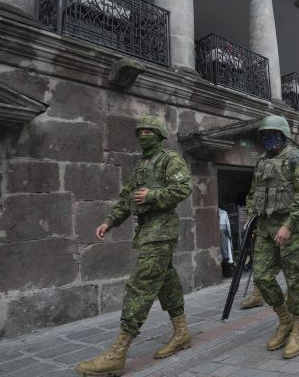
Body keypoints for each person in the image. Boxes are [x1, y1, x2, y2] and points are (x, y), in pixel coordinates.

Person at [75, 116, 193, 376]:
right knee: (166, 281)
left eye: (149, 131)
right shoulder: (142, 166)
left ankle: (119, 352)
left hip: (161, 230)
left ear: (160, 134)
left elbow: (184, 187)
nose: (143, 135)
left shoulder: (169, 159)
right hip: (147, 229)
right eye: (139, 131)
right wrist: (109, 221)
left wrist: (153, 195)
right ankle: (182, 333)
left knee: (142, 283)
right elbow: (127, 197)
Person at [246, 115, 299, 359]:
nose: (267, 139)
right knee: (262, 277)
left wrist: (288, 226)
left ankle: (298, 328)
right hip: (265, 228)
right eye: (263, 135)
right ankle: (284, 319)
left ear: (283, 134)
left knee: (294, 280)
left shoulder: (297, 158)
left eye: (271, 134)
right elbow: (254, 192)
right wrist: (253, 218)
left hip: (291, 228)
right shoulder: (262, 162)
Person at [219, 207, 234, 277]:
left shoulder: (223, 213)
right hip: (224, 236)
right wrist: (230, 235)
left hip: (221, 235)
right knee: (226, 254)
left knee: (223, 254)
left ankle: (225, 272)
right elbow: (228, 226)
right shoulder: (224, 213)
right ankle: (227, 273)